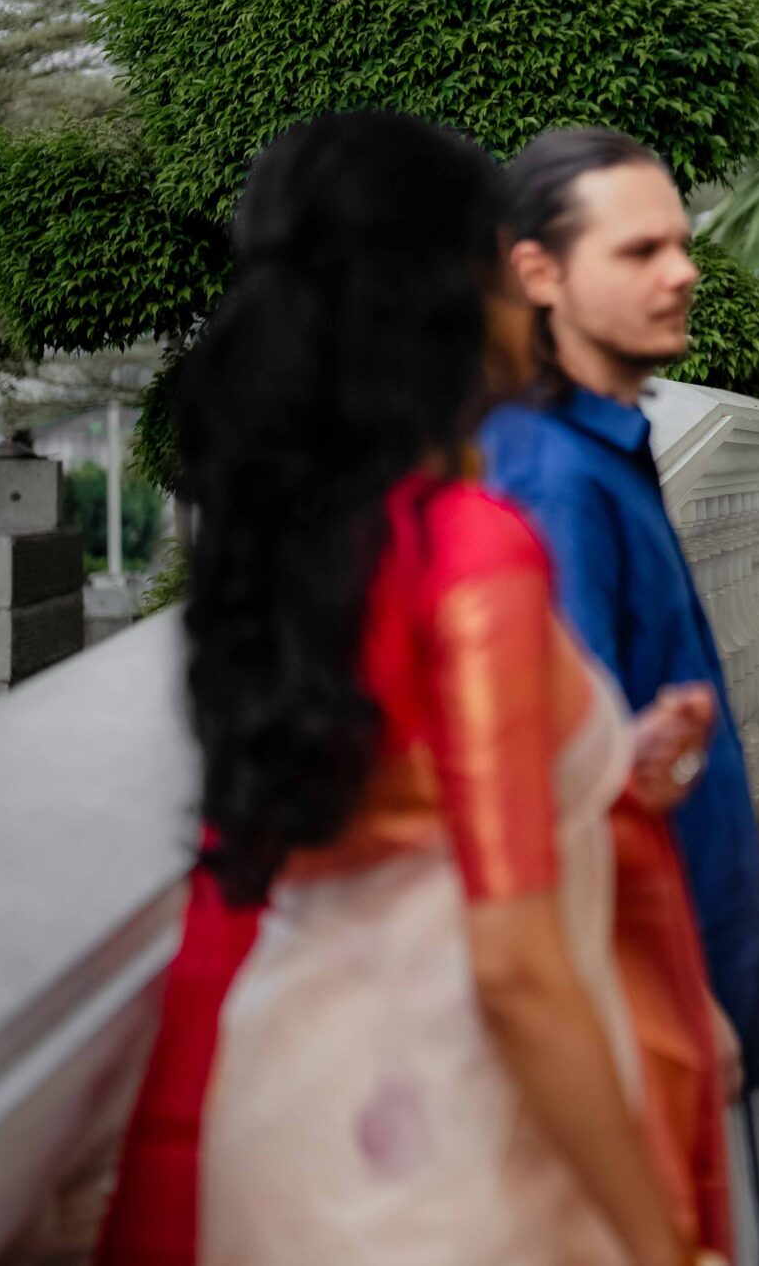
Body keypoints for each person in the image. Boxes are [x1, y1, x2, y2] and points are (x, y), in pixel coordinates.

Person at [170, 113, 694, 1264]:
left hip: (288, 1120)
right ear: (451, 292)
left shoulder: (296, 545)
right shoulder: (471, 549)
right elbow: (514, 968)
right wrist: (660, 1242)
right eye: (503, 263)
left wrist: (614, 763)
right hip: (450, 1152)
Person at [478, 127, 759, 1255]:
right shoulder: (548, 479)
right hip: (641, 1001)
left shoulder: (601, 446)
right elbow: (554, 802)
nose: (683, 271)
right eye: (640, 250)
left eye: (682, 244)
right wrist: (673, 1000)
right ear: (538, 272)